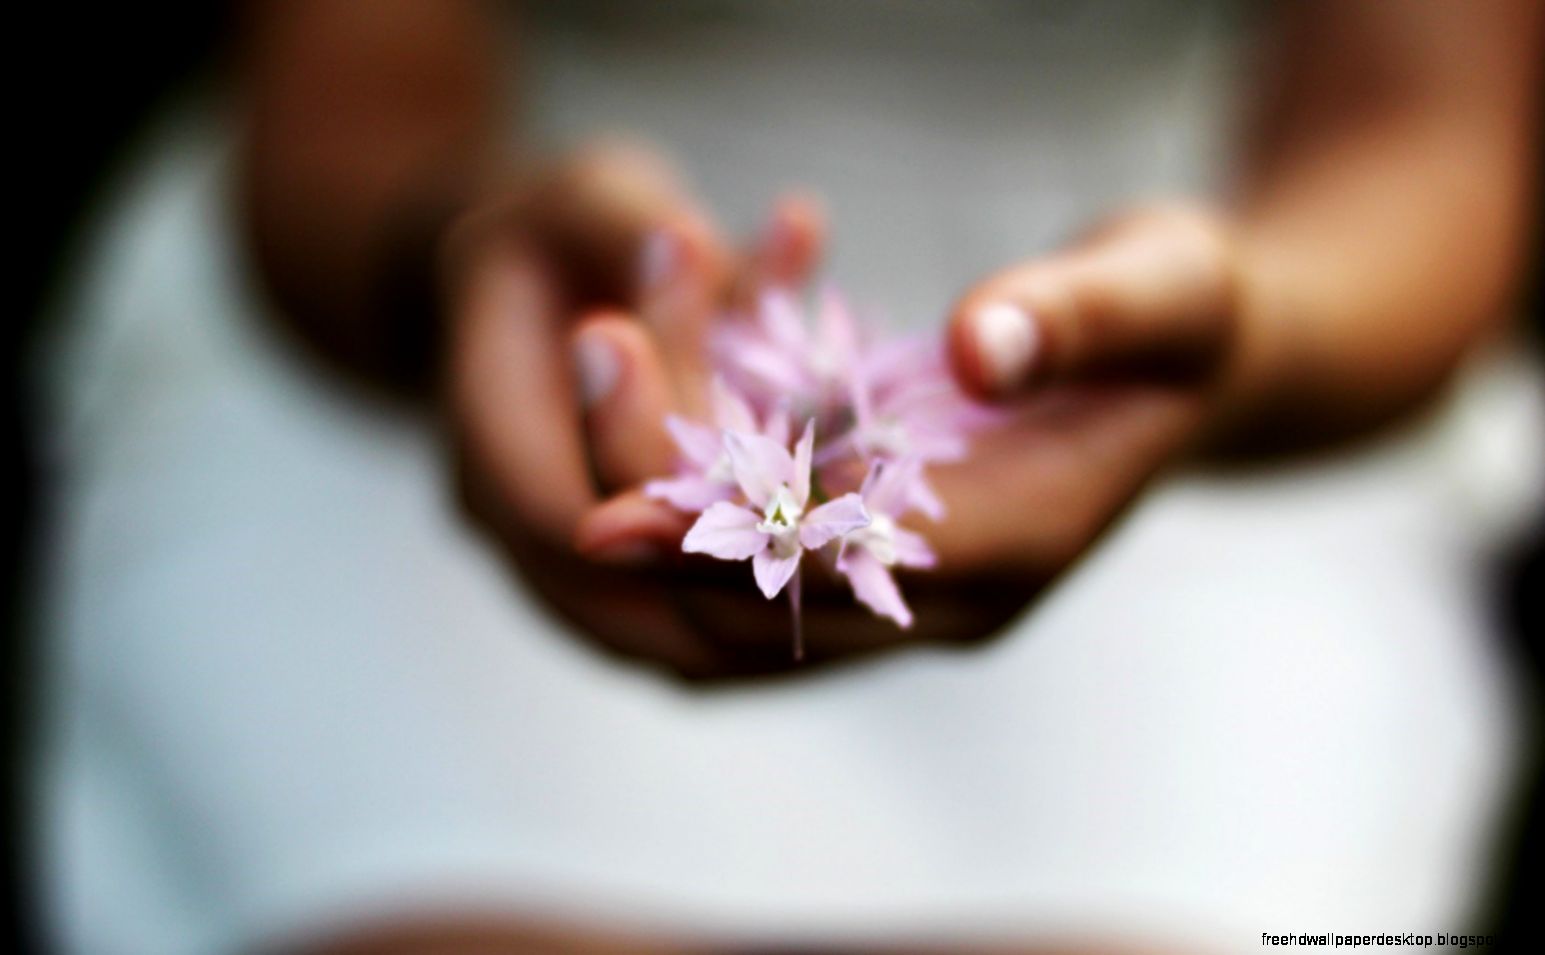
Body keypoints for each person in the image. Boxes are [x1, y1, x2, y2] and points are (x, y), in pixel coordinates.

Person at [34, 1, 1543, 952]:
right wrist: (462, 267)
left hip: (1195, 286)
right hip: (474, 284)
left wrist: (1227, 342)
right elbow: (350, 96)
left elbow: (1423, 135)